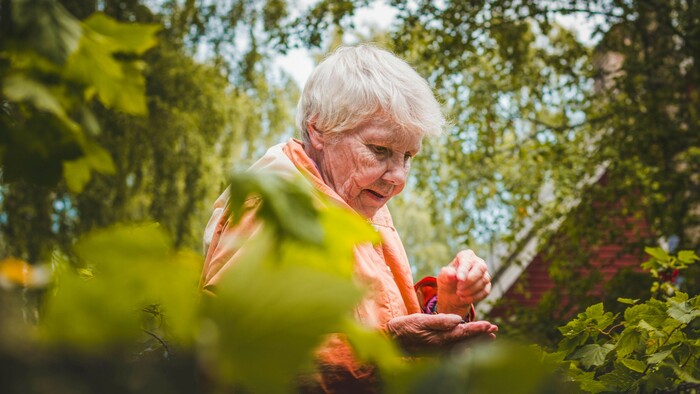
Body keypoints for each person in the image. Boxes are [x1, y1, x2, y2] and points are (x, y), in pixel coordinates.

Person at [200, 43, 497, 392]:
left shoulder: (360, 202)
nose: (398, 177)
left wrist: (446, 304)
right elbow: (226, 355)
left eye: (408, 156)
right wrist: (383, 348)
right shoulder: (273, 207)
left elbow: (382, 321)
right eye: (380, 150)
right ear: (319, 130)